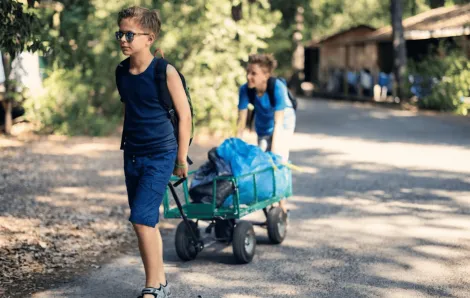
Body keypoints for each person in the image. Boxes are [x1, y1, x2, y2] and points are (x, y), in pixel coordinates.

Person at [115, 6, 191, 298]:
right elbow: (130, 110)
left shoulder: (165, 71)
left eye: (130, 34)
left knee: (140, 218)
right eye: (120, 33)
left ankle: (152, 287)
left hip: (161, 153)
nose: (123, 39)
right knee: (144, 222)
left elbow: (184, 116)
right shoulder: (121, 72)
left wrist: (180, 158)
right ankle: (160, 284)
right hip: (132, 153)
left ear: (149, 38)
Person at [236, 54, 296, 214]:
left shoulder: (277, 88)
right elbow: (241, 124)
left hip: (283, 124)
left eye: (253, 73)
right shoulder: (245, 90)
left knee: (278, 160)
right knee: (261, 160)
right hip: (262, 127)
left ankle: (282, 205)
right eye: (248, 72)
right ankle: (268, 197)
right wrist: (236, 149)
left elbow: (278, 124)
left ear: (266, 75)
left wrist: (276, 153)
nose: (249, 76)